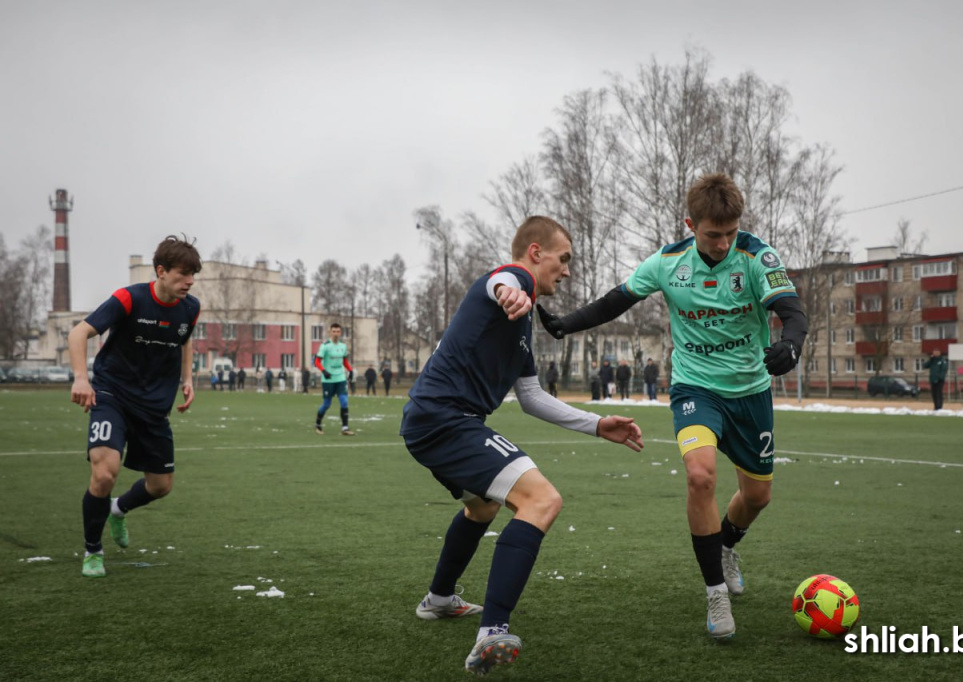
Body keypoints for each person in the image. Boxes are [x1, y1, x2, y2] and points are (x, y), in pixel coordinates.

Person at [536, 174, 807, 640]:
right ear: (690, 225)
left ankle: (727, 545)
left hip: (750, 391)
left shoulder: (758, 256)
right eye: (712, 234)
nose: (722, 244)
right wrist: (564, 324)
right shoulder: (668, 262)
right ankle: (715, 593)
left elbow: (794, 311)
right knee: (700, 476)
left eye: (729, 232)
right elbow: (616, 301)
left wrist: (791, 345)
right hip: (694, 388)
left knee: (758, 497)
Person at [401, 216, 644, 675]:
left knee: (483, 509)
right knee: (542, 500)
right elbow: (499, 279)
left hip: (432, 421)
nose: (567, 270)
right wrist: (510, 289)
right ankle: (492, 631)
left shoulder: (522, 323)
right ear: (536, 252)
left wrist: (597, 425)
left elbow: (531, 398)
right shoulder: (510, 285)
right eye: (563, 259)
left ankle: (438, 598)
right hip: (446, 419)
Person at [68, 235, 202, 578]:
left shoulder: (191, 307)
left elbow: (184, 340)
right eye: (183, 274)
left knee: (161, 486)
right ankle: (93, 551)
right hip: (112, 395)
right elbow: (78, 333)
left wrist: (188, 378)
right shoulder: (129, 298)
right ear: (161, 271)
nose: (189, 281)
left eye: (193, 275)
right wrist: (82, 378)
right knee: (104, 472)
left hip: (154, 406)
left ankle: (118, 509)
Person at [314, 323, 355, 435]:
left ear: (340, 332)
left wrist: (350, 370)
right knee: (327, 404)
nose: (336, 333)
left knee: (344, 401)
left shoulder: (343, 346)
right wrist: (324, 371)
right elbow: (316, 361)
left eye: (338, 331)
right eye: (334, 331)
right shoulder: (325, 346)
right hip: (328, 379)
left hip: (340, 378)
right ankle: (318, 424)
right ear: (330, 332)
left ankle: (345, 428)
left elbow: (344, 361)